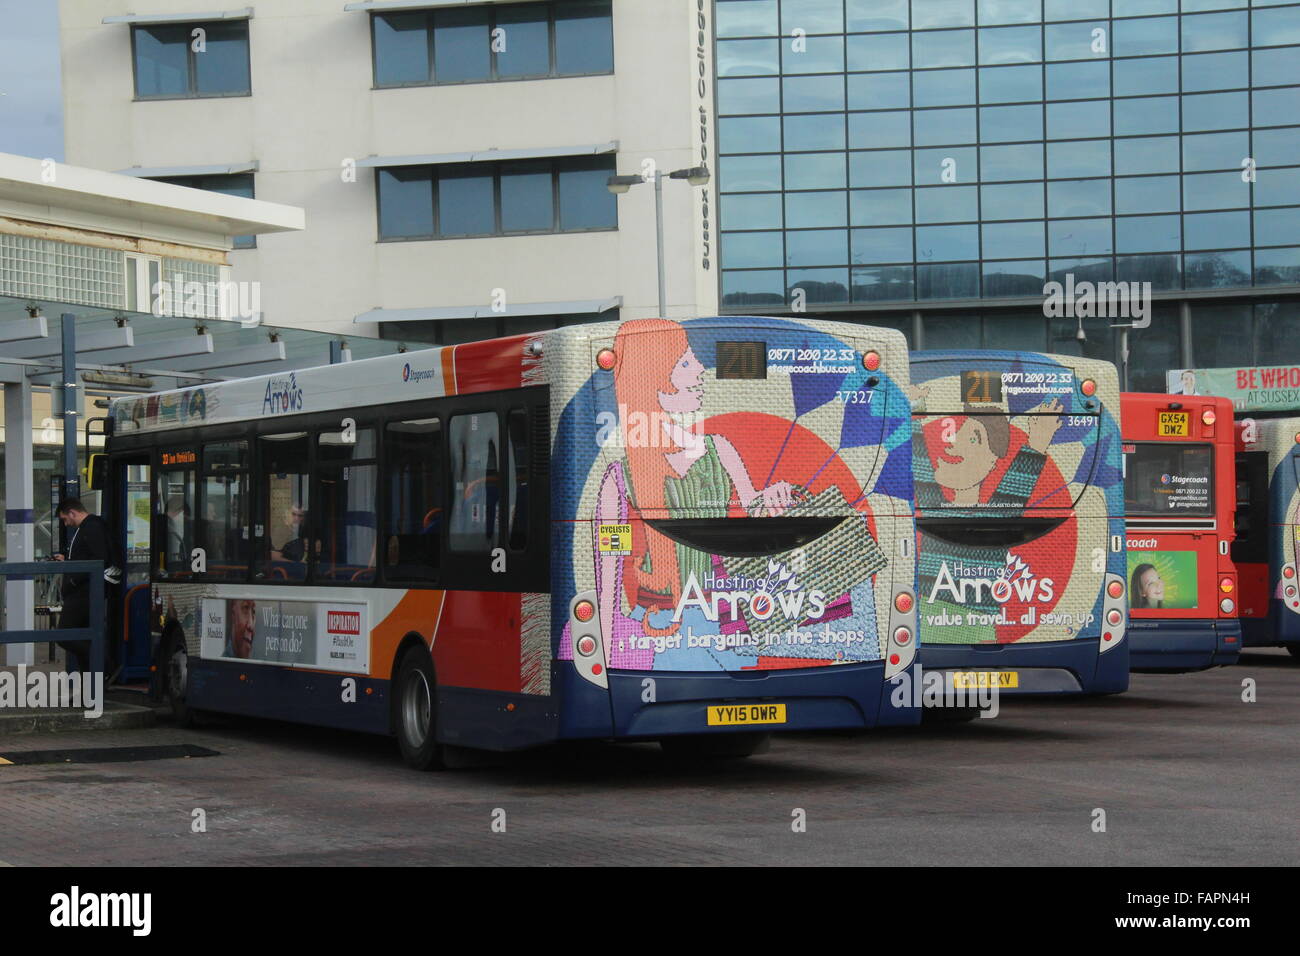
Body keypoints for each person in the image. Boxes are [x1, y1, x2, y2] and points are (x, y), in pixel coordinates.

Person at [53, 497, 122, 675]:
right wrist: (68, 561)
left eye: (65, 519)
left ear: (72, 512)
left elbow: (99, 558)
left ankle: (103, 661)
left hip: (85, 593)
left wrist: (74, 578)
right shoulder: (89, 527)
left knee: (65, 635)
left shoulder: (91, 527)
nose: (66, 524)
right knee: (83, 636)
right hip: (85, 591)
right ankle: (90, 688)